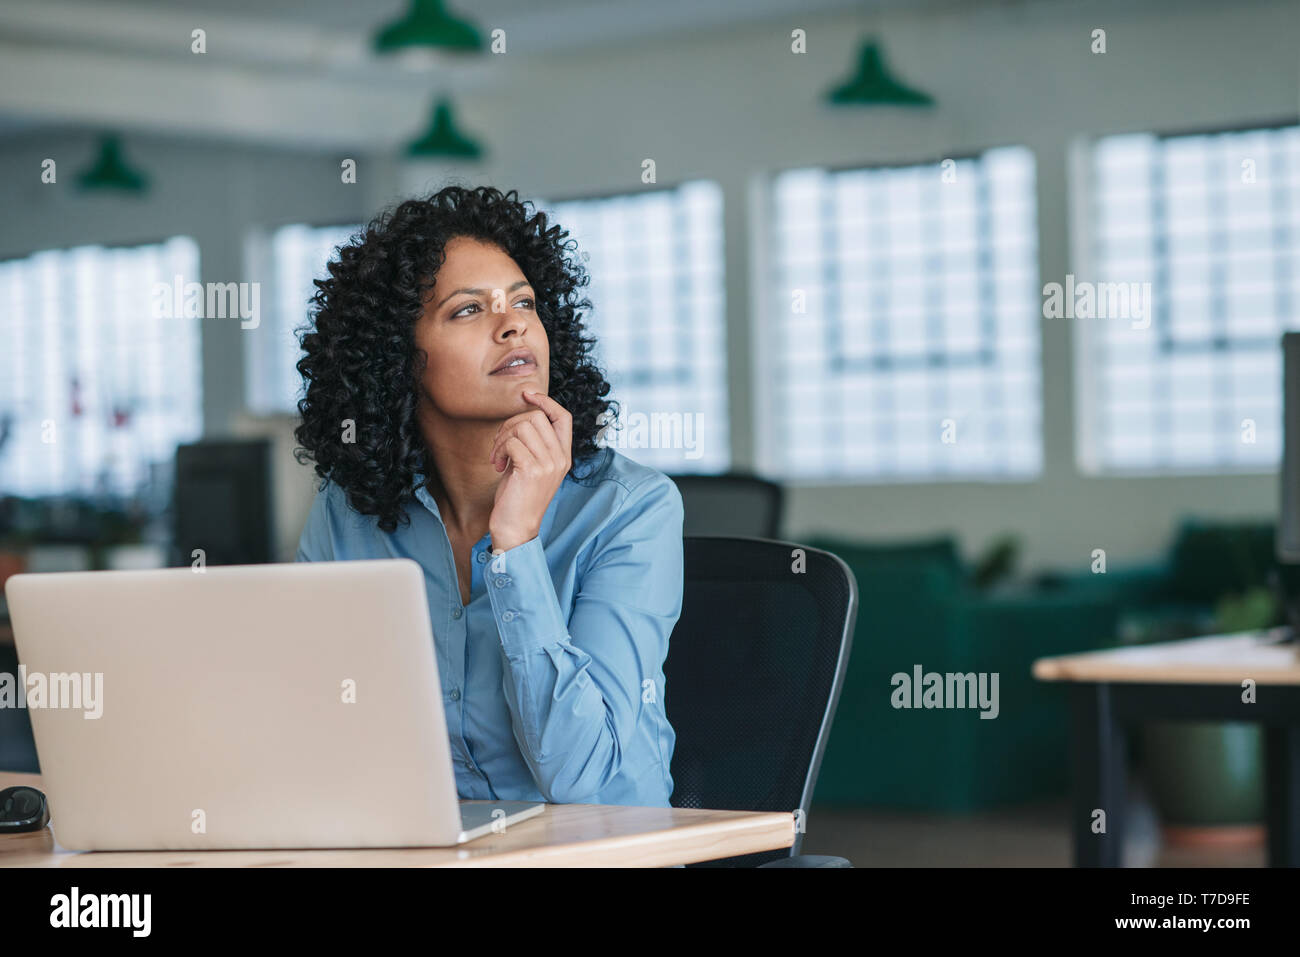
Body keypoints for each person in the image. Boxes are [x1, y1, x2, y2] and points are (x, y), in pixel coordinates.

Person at [292, 184, 683, 808]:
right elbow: (309, 729)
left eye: (524, 302)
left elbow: (580, 777)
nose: (513, 325)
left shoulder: (630, 508)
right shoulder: (348, 514)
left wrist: (517, 544)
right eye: (469, 311)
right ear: (397, 360)